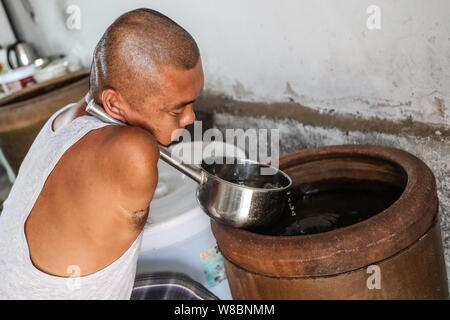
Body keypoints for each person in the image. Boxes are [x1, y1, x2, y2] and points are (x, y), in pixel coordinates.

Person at [0, 8, 204, 299]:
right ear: (114, 104)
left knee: (182, 286)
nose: (190, 119)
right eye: (177, 109)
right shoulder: (134, 152)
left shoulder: (64, 118)